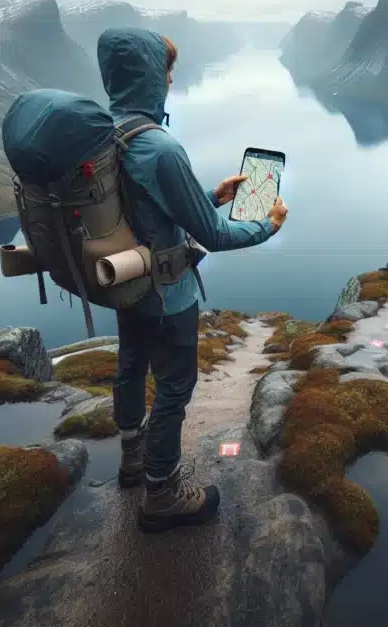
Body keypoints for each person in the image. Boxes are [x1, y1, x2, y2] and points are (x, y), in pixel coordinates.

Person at [95, 27, 289, 533]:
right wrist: (265, 227)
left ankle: (133, 462)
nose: (171, 78)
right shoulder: (159, 147)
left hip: (125, 281)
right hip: (168, 293)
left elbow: (143, 206)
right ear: (149, 76)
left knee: (131, 366)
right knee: (175, 387)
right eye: (166, 69)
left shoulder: (106, 135)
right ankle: (161, 493)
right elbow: (215, 236)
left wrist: (210, 193)